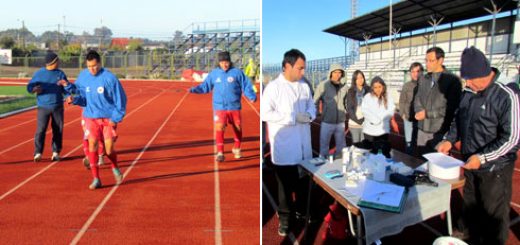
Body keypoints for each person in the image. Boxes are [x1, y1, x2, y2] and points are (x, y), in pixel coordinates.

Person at [437, 47, 520, 245]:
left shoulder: (506, 95)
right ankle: (465, 233)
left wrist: (482, 158)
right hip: (470, 162)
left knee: (493, 213)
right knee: (470, 202)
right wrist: (449, 139)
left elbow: (513, 138)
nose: (466, 83)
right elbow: (458, 121)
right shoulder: (468, 93)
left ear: (482, 75)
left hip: (495, 168)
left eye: (469, 79)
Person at [261, 49, 316, 237]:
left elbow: (312, 105)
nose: (303, 72)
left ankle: (301, 211)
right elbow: (265, 113)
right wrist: (292, 117)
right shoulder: (274, 88)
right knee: (284, 190)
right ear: (287, 66)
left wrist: (310, 115)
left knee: (303, 184)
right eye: (300, 68)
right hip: (285, 149)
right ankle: (285, 219)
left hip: (304, 148)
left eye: (304, 69)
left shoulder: (304, 86)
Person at [64, 50, 127, 190]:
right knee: (92, 144)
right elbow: (82, 97)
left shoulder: (110, 78)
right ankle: (96, 178)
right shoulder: (83, 76)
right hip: (90, 117)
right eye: (89, 66)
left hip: (108, 118)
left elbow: (121, 99)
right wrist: (74, 99)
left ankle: (115, 166)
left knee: (109, 150)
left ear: (99, 63)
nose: (92, 69)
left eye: (94, 66)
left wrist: (116, 118)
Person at [189, 51, 257, 162]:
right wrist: (194, 89)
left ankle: (237, 147)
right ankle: (220, 152)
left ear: (230, 62)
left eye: (226, 62)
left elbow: (246, 85)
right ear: (218, 63)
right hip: (219, 107)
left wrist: (251, 96)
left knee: (237, 128)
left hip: (234, 106)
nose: (224, 65)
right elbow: (205, 86)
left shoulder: (237, 73)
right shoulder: (214, 74)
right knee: (219, 127)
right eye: (222, 62)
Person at [414, 47, 462, 156]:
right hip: (422, 129)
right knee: (420, 162)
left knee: (437, 165)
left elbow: (451, 108)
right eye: (426, 60)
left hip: (439, 131)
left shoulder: (453, 80)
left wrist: (427, 114)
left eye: (431, 61)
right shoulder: (423, 79)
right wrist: (419, 111)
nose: (427, 64)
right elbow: (417, 99)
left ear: (440, 60)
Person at [26, 51, 70, 162]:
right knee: (40, 130)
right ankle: (38, 153)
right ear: (52, 62)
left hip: (57, 106)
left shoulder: (60, 74)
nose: (59, 62)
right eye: (57, 60)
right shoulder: (39, 74)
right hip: (43, 107)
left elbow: (65, 88)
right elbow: (30, 87)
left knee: (58, 130)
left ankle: (56, 152)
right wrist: (34, 89)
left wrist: (68, 96)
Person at [313, 63, 348, 158]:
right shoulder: (323, 85)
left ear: (342, 74)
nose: (337, 75)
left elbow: (346, 101)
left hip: (340, 121)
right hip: (327, 121)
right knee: (324, 146)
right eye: (335, 72)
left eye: (340, 72)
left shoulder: (344, 87)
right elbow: (315, 100)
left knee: (341, 146)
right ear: (331, 73)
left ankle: (340, 162)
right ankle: (323, 162)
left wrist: (346, 110)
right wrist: (316, 113)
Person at [361, 76, 395, 158]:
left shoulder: (388, 96)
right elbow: (365, 111)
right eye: (375, 87)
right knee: (371, 152)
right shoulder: (367, 97)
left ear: (383, 86)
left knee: (383, 152)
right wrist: (375, 120)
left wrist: (381, 119)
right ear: (372, 88)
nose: (378, 89)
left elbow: (391, 110)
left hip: (383, 130)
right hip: (370, 131)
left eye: (380, 87)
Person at [399, 62, 423, 155]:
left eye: (418, 71)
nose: (415, 74)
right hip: (408, 119)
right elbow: (402, 101)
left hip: (421, 121)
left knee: (421, 143)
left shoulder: (426, 85)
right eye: (413, 71)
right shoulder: (406, 86)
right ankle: (409, 162)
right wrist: (402, 114)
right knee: (409, 143)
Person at [346, 70, 370, 144]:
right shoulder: (351, 91)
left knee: (365, 146)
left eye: (361, 77)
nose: (360, 80)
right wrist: (358, 120)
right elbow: (349, 108)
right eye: (358, 78)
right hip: (354, 123)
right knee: (356, 146)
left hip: (366, 123)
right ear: (354, 80)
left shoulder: (368, 90)